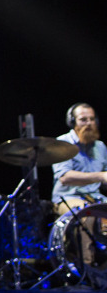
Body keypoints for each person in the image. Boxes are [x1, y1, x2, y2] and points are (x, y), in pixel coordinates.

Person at [51, 103, 107, 266]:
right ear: (72, 122)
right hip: (68, 198)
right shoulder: (63, 143)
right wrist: (100, 176)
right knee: (86, 215)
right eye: (83, 120)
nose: (89, 123)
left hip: (95, 198)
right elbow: (65, 177)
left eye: (91, 119)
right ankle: (87, 271)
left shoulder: (100, 146)